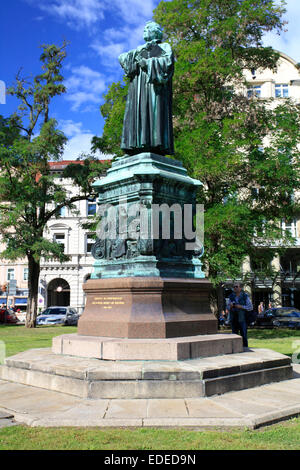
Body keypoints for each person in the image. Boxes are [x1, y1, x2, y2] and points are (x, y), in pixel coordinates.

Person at [119, 21, 174, 156]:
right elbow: (123, 59)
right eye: (144, 29)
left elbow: (167, 63)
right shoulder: (139, 48)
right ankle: (134, 146)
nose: (144, 31)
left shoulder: (164, 46)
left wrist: (147, 63)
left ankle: (154, 145)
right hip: (138, 89)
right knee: (137, 113)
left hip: (154, 88)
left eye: (147, 29)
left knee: (153, 115)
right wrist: (131, 57)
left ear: (156, 31)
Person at [229, 282, 253, 347]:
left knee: (244, 335)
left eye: (236, 286)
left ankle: (245, 349)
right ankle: (235, 349)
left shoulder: (245, 296)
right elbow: (227, 307)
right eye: (234, 287)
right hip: (234, 318)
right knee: (234, 335)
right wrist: (230, 306)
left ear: (240, 288)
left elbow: (250, 307)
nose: (235, 288)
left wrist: (241, 307)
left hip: (242, 319)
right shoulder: (231, 296)